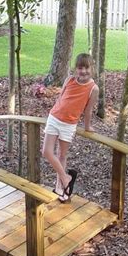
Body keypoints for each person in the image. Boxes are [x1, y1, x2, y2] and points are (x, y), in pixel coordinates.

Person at [42, 53, 99, 203]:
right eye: (80, 68)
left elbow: (88, 110)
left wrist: (87, 126)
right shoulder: (69, 79)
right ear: (76, 69)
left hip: (69, 124)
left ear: (92, 68)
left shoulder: (93, 88)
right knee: (47, 152)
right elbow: (61, 98)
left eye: (87, 68)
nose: (83, 71)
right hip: (54, 118)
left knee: (62, 155)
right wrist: (56, 110)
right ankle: (66, 177)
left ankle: (61, 188)